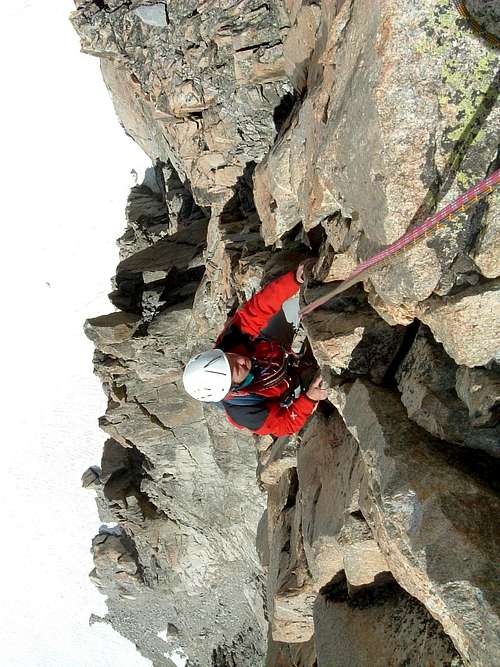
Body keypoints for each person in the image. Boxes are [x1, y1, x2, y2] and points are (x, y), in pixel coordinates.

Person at [182, 264, 328, 436]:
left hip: (273, 352)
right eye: (236, 369)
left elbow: (256, 309)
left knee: (294, 303)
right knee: (325, 376)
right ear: (232, 388)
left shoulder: (229, 342)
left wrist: (294, 280)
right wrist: (309, 398)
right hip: (291, 386)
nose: (242, 360)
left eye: (231, 358)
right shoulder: (246, 413)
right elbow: (286, 425)